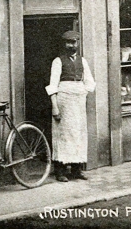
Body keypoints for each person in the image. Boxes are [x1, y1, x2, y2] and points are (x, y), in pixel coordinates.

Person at [45, 30, 96, 182]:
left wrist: (82, 91)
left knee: (78, 133)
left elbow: (90, 82)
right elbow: (53, 85)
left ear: (77, 43)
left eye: (73, 42)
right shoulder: (58, 61)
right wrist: (55, 107)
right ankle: (60, 170)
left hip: (78, 101)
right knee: (63, 134)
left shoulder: (83, 61)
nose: (71, 45)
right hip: (64, 101)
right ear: (64, 44)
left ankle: (76, 169)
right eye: (68, 42)